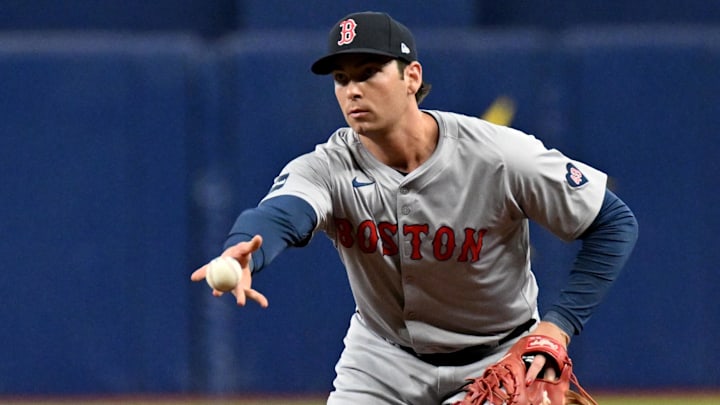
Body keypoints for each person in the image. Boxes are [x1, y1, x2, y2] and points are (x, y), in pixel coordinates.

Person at [191, 11, 638, 405]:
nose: (353, 90)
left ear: (411, 76)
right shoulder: (328, 166)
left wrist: (558, 326)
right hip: (381, 361)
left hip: (498, 358)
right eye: (342, 79)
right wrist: (245, 248)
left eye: (369, 72)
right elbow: (281, 213)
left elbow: (613, 222)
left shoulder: (498, 155)